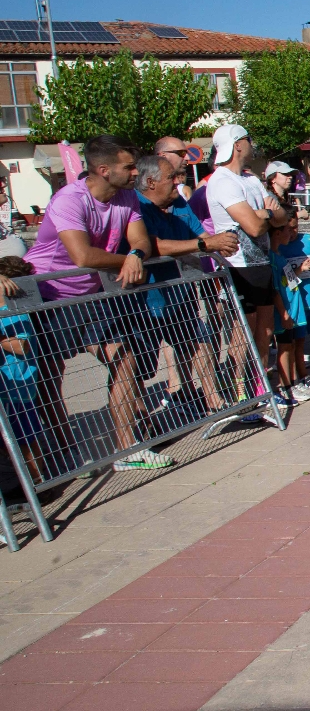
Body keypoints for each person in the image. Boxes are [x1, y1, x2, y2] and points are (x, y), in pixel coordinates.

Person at [25, 136, 161, 466]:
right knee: (49, 376)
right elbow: (82, 255)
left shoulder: (127, 196)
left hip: (92, 295)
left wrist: (135, 254)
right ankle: (67, 452)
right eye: (129, 167)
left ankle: (128, 449)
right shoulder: (69, 200)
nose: (136, 173)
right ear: (103, 170)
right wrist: (128, 260)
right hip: (49, 295)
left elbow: (140, 240)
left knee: (124, 358)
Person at [133, 152, 242, 415]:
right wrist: (206, 244)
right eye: (171, 177)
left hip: (179, 293)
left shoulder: (179, 202)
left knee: (200, 343)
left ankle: (214, 401)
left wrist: (221, 245)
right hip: (142, 301)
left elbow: (203, 236)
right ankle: (141, 422)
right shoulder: (136, 206)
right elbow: (152, 246)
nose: (178, 182)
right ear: (150, 182)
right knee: (137, 367)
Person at [205, 124, 290, 394]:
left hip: (261, 263)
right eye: (248, 140)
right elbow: (254, 227)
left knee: (266, 331)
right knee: (243, 334)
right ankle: (237, 391)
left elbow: (282, 216)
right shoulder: (222, 181)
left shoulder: (250, 180)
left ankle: (259, 388)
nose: (252, 145)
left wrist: (266, 214)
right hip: (238, 267)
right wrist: (264, 214)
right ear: (237, 144)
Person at [0, 256, 43, 484]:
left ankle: (38, 481)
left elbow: (21, 345)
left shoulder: (14, 309)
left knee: (25, 438)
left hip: (18, 387)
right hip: (10, 387)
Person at [268, 218, 310, 402]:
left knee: (292, 345)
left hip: (294, 309)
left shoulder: (279, 254)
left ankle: (293, 382)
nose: (291, 234)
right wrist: (283, 313)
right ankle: (285, 386)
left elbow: (287, 280)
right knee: (285, 347)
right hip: (285, 311)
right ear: (277, 233)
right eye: (288, 231)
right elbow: (275, 289)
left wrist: (300, 270)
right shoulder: (272, 259)